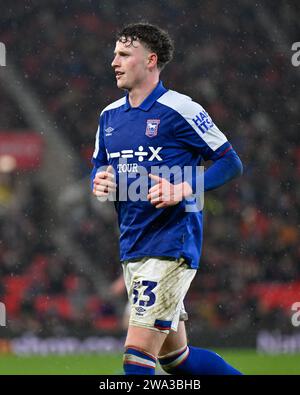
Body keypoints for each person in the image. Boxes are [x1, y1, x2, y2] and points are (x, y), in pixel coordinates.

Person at [91, 23, 243, 375]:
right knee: (177, 359)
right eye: (115, 53)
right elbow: (98, 166)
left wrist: (185, 187)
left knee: (136, 357)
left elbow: (231, 162)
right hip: (133, 244)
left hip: (170, 245)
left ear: (150, 60)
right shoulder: (108, 117)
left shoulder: (181, 109)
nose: (114, 61)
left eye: (124, 54)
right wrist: (99, 181)